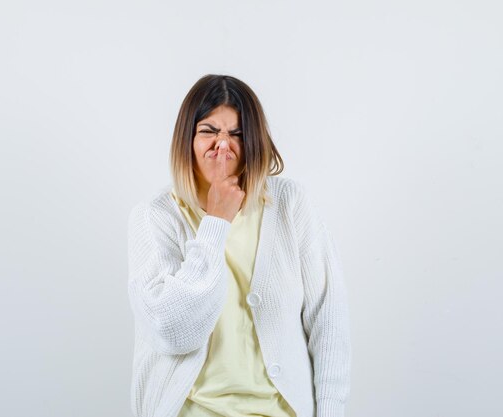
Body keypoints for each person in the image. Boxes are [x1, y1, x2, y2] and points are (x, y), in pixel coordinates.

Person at [127, 74, 352, 417]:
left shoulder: (291, 204)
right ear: (186, 139)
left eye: (236, 133)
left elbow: (329, 321)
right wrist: (216, 222)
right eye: (208, 131)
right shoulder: (154, 218)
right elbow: (175, 332)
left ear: (254, 142)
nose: (223, 144)